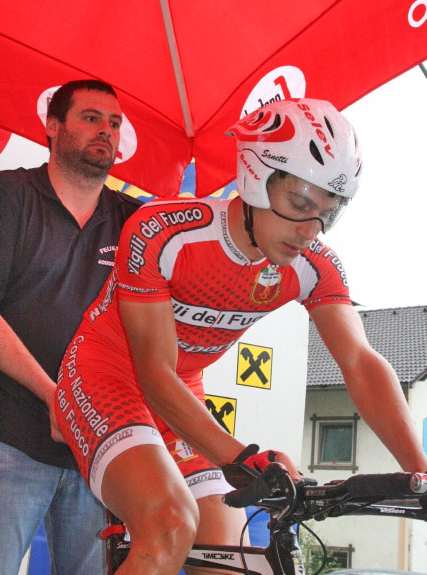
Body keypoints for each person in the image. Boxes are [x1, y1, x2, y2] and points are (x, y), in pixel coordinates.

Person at [55, 98, 427, 575]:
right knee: (169, 526)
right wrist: (242, 459)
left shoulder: (314, 266)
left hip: (180, 393)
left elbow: (359, 362)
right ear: (254, 177)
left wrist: (419, 473)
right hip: (105, 375)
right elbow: (154, 373)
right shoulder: (164, 232)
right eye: (299, 204)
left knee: (226, 557)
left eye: (326, 214)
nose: (309, 231)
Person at [0, 79, 141, 575]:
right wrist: (54, 396)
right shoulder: (9, 196)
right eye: (91, 117)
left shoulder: (136, 223)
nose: (106, 131)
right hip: (10, 437)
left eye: (114, 123)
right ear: (53, 126)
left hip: (99, 450)